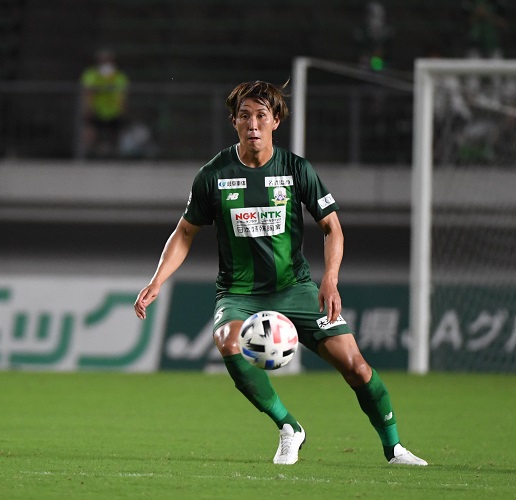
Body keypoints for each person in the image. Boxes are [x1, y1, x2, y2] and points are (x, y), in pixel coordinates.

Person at [134, 80, 427, 467]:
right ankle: (289, 426)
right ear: (234, 122)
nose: (253, 124)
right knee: (227, 341)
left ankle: (394, 448)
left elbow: (332, 228)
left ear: (276, 120)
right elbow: (185, 232)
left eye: (261, 115)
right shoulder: (214, 174)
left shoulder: (296, 169)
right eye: (244, 116)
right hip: (239, 293)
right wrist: (157, 279)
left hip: (296, 289)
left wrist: (330, 278)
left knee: (356, 367)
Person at [80, 48, 129, 157]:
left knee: (116, 134)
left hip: (114, 111)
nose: (105, 63)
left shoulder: (119, 76)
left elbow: (122, 95)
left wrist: (122, 109)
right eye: (103, 60)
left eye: (108, 60)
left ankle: (116, 156)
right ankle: (86, 156)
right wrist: (88, 108)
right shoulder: (91, 74)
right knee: (90, 132)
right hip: (96, 110)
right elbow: (88, 92)